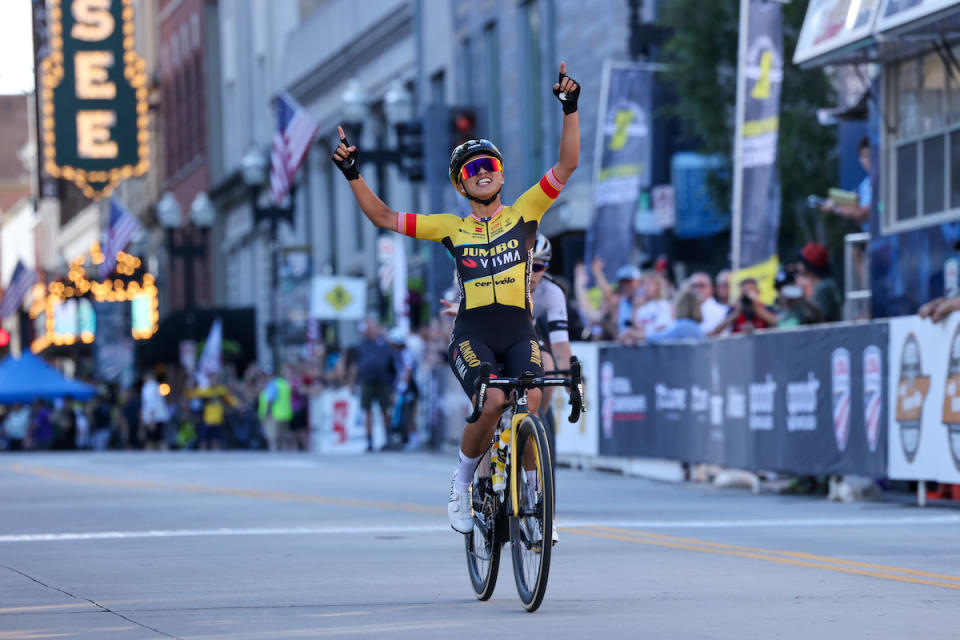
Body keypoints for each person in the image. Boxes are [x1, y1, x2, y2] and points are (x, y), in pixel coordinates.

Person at [332, 61, 579, 535]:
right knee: (491, 402)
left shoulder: (527, 210)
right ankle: (462, 482)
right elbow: (384, 217)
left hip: (517, 327)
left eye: (490, 166)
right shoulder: (451, 227)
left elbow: (567, 164)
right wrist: (352, 173)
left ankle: (530, 490)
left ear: (501, 176)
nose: (483, 173)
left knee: (532, 394)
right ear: (461, 184)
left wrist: (569, 107)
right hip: (472, 332)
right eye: (472, 169)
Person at [346, 318, 395, 452]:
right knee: (367, 412)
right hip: (367, 381)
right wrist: (351, 382)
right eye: (368, 328)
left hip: (383, 381)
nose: (371, 330)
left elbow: (393, 363)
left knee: (385, 411)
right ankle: (369, 440)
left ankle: (388, 438)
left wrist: (394, 384)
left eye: (373, 327)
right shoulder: (361, 345)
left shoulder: (385, 343)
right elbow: (354, 365)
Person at [820, 137, 871, 231]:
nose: (869, 160)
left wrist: (835, 207)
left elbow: (863, 213)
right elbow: (859, 216)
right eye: (866, 156)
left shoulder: (882, 180)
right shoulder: (864, 185)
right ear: (860, 158)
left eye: (872, 155)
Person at [709, 277, 778, 335]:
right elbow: (714, 333)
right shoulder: (734, 310)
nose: (747, 295)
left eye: (750, 291)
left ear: (758, 293)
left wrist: (757, 309)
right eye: (744, 293)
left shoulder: (767, 308)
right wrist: (736, 313)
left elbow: (778, 324)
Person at [795, 242, 842, 323]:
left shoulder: (823, 287)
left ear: (808, 265)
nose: (798, 264)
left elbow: (823, 319)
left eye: (801, 261)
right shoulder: (826, 284)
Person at [258, 370, 294, 451]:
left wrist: (267, 412)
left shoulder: (272, 384)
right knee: (283, 437)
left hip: (275, 414)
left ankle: (273, 456)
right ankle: (286, 455)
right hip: (286, 414)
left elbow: (270, 400)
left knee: (273, 439)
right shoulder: (284, 384)